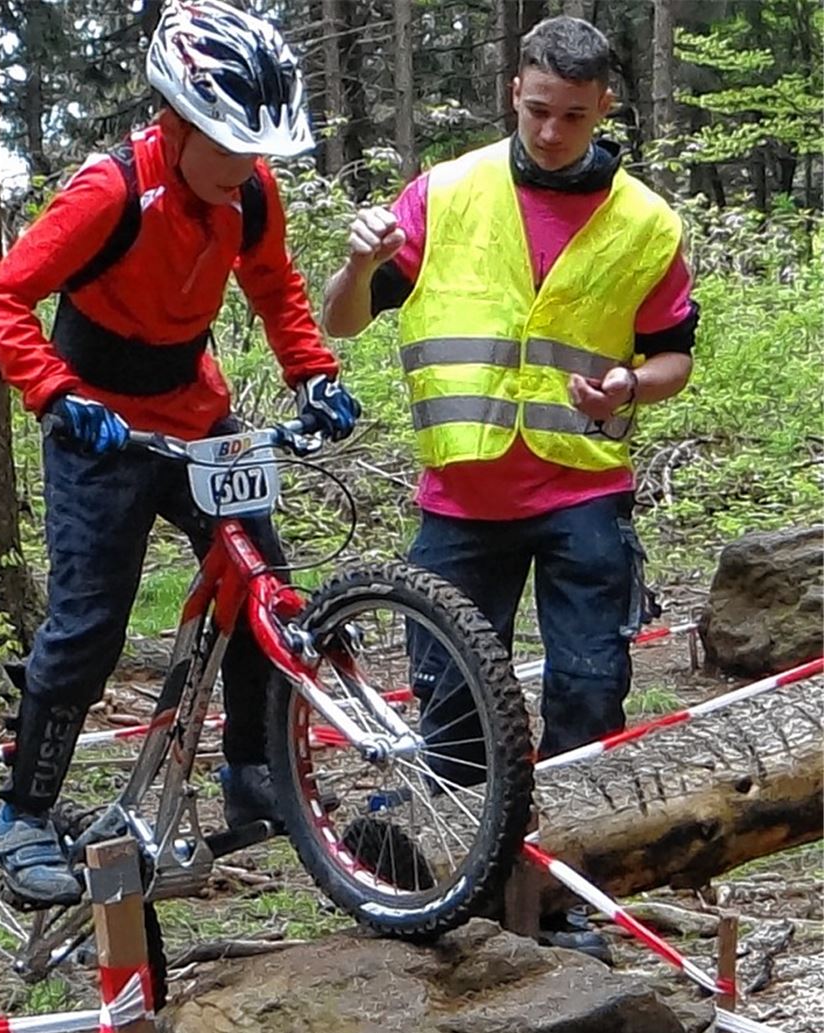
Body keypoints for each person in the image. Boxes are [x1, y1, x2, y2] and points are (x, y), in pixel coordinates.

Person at [322, 15, 698, 953]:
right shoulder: (444, 194)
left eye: (573, 115)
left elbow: (672, 358)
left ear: (605, 105)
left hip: (584, 492)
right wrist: (363, 258)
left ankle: (566, 907)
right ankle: (456, 886)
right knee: (448, 704)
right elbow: (343, 320)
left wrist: (627, 384)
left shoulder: (648, 222)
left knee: (588, 697)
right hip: (461, 498)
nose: (551, 132)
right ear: (513, 94)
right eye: (537, 110)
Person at [0, 0, 359, 909]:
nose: (243, 173)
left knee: (264, 580)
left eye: (255, 153)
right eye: (227, 150)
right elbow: (0, 298)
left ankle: (256, 772)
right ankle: (22, 814)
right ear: (177, 124)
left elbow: (275, 287)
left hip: (196, 415)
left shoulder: (253, 191)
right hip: (98, 431)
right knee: (90, 625)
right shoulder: (108, 192)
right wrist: (58, 395)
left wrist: (314, 376)